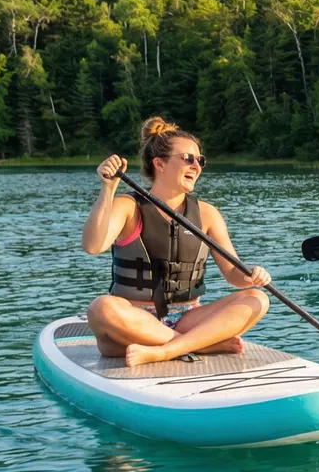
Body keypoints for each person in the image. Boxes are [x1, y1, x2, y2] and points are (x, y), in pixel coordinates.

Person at [82, 117, 271, 367]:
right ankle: (200, 344)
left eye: (200, 160)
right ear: (159, 164)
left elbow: (234, 275)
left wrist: (252, 276)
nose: (197, 166)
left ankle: (165, 350)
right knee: (101, 308)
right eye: (188, 159)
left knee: (257, 299)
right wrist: (108, 189)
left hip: (188, 316)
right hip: (133, 322)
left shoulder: (207, 213)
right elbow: (93, 246)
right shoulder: (128, 206)